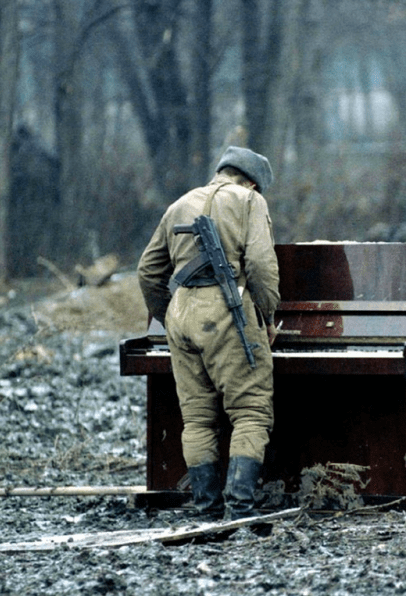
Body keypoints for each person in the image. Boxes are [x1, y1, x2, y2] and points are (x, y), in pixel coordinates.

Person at [137, 146, 280, 520]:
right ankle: (240, 509)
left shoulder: (179, 204)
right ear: (252, 182)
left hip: (181, 314)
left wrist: (167, 315)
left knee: (198, 419)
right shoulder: (250, 201)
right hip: (228, 310)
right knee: (250, 412)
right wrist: (266, 318)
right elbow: (262, 266)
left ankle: (205, 510)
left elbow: (148, 272)